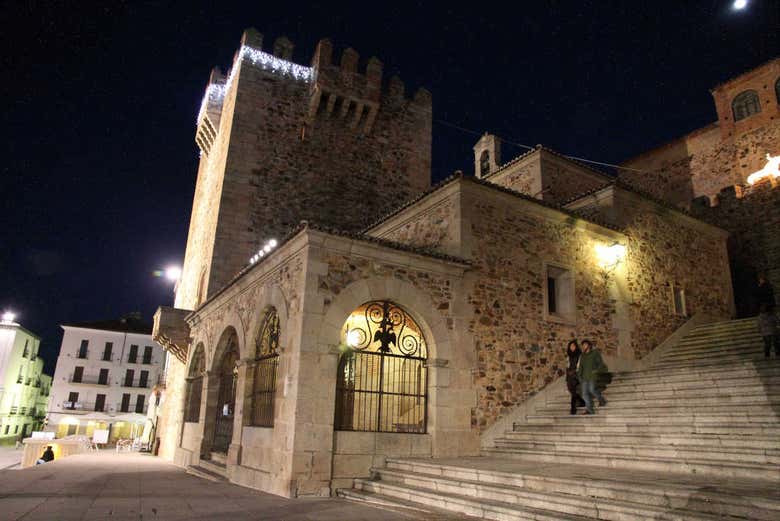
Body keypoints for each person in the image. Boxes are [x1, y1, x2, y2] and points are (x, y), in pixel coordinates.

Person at [576, 339, 608, 415]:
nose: (584, 346)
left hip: (592, 376)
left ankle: (602, 400)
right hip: (584, 377)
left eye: (585, 345)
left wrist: (597, 370)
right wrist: (579, 376)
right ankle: (590, 410)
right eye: (583, 345)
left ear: (589, 345)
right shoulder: (583, 355)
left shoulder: (595, 353)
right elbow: (580, 366)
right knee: (584, 394)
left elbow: (600, 363)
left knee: (592, 390)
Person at [565, 340, 585, 415]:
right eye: (570, 346)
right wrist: (567, 376)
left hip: (577, 376)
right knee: (572, 391)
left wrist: (574, 372)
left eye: (573, 346)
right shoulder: (569, 357)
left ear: (576, 347)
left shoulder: (579, 355)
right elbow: (567, 366)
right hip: (570, 376)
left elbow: (579, 366)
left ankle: (573, 409)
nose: (572, 348)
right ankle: (583, 402)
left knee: (573, 392)